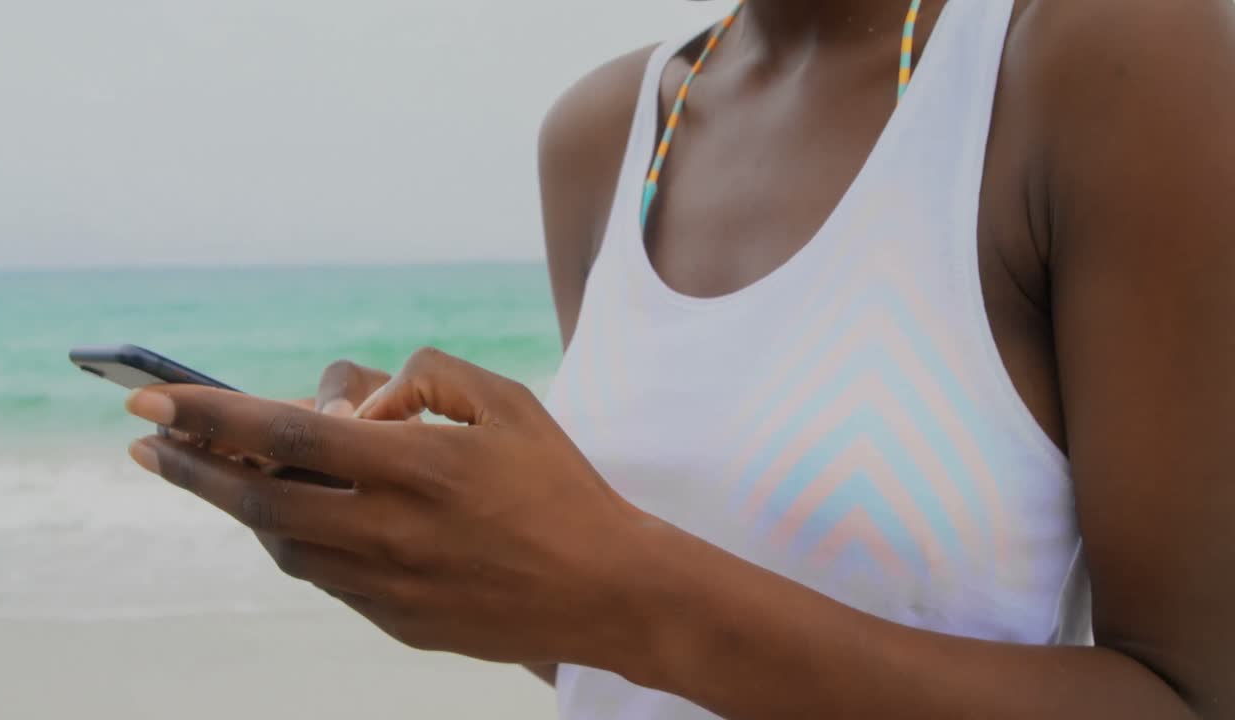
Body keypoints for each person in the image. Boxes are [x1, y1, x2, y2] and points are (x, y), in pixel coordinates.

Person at [122, 0, 1235, 717]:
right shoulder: (608, 133)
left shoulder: (1106, 61)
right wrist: (470, 549)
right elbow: (651, 662)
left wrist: (615, 587)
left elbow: (1187, 698)